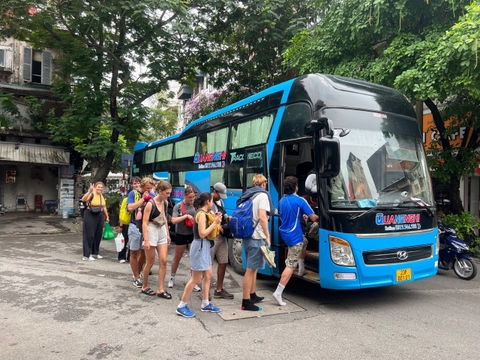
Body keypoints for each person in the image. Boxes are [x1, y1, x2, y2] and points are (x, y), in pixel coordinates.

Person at [273, 176, 319, 306]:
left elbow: (286, 215)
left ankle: (302, 268)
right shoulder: (300, 200)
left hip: (285, 233)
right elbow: (314, 218)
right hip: (295, 235)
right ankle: (278, 292)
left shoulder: (282, 200)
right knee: (290, 264)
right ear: (296, 187)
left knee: (305, 242)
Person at [176, 192, 223, 318]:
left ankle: (205, 302)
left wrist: (216, 220)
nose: (212, 203)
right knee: (195, 278)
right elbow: (202, 234)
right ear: (208, 201)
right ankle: (181, 305)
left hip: (205, 246)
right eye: (211, 201)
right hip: (200, 246)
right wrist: (215, 223)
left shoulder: (205, 213)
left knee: (208, 275)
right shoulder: (201, 214)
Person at [238, 174, 274, 311]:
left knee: (254, 267)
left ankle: (252, 295)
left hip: (247, 234)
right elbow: (263, 217)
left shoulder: (248, 195)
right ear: (263, 184)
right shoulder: (263, 195)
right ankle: (245, 302)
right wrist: (268, 235)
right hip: (256, 235)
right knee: (251, 269)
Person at [141, 180, 172, 298]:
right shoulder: (150, 204)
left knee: (163, 260)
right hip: (151, 228)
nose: (168, 196)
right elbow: (144, 223)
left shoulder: (165, 203)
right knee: (150, 261)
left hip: (162, 229)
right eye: (167, 193)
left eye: (169, 193)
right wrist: (146, 239)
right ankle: (144, 285)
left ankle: (160, 289)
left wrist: (168, 234)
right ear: (160, 191)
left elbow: (164, 219)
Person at [127, 177, 154, 288]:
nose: (149, 189)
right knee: (134, 252)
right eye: (147, 187)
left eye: (151, 187)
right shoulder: (133, 194)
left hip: (147, 227)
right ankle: (136, 276)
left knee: (143, 252)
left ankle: (137, 273)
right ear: (142, 186)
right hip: (134, 226)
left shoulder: (152, 195)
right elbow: (130, 208)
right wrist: (142, 200)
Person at [168, 185, 196, 289]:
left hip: (192, 234)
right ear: (184, 195)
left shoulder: (195, 205)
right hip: (181, 234)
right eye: (190, 197)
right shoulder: (178, 206)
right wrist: (185, 216)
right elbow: (173, 220)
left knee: (194, 258)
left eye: (193, 197)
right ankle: (172, 277)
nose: (191, 199)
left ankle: (194, 280)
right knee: (177, 257)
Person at [210, 182, 234, 299]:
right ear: (214, 191)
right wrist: (217, 226)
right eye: (219, 195)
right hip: (212, 236)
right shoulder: (208, 201)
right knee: (208, 264)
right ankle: (205, 292)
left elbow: (223, 215)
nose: (220, 197)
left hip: (222, 236)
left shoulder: (221, 202)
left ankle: (219, 289)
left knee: (223, 262)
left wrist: (228, 218)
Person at [81, 182, 109, 261]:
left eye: (101, 187)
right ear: (95, 187)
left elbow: (104, 206)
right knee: (89, 234)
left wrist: (107, 216)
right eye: (98, 187)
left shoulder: (101, 196)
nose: (100, 189)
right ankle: (87, 254)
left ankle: (95, 252)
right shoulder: (92, 194)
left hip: (99, 214)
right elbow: (83, 199)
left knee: (98, 234)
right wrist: (89, 191)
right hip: (90, 214)